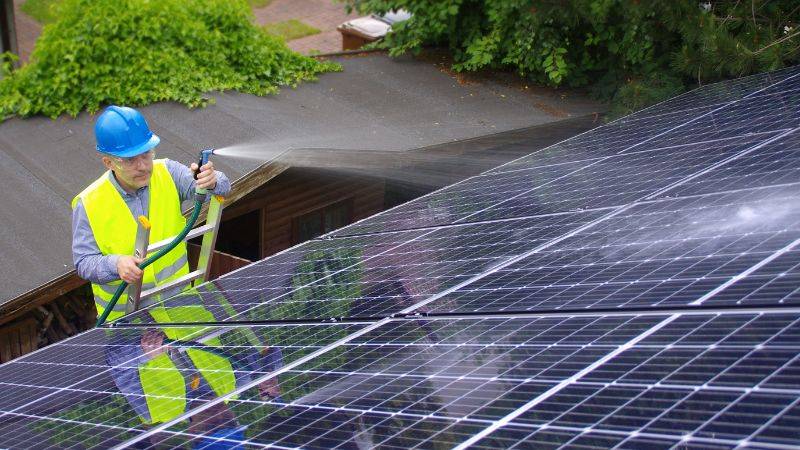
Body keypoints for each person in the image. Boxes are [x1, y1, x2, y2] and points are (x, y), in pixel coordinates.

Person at [71, 105, 231, 322]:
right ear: (108, 162)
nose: (143, 166)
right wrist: (116, 264)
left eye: (146, 154)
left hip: (182, 308)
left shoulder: (167, 172)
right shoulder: (88, 203)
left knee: (208, 356)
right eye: (130, 160)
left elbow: (222, 187)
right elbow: (84, 262)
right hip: (128, 326)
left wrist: (211, 180)